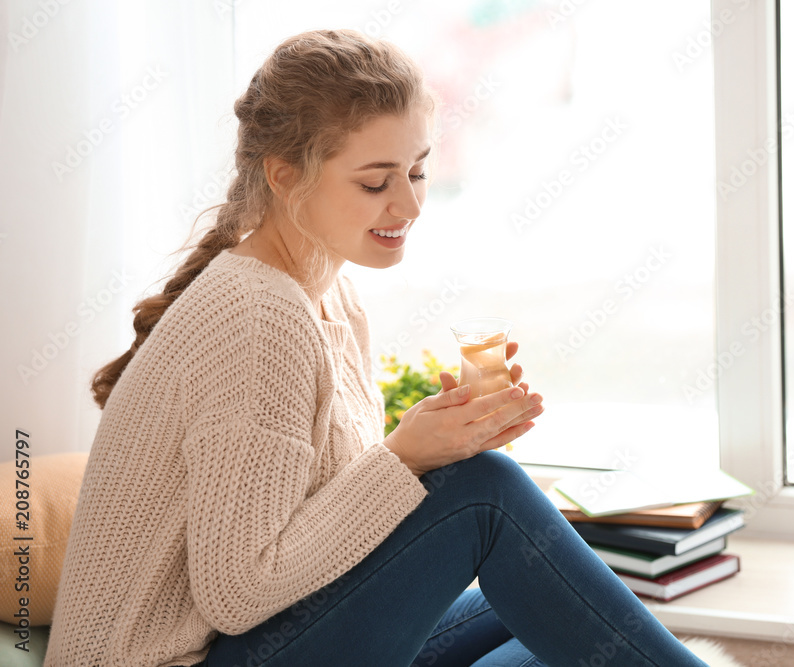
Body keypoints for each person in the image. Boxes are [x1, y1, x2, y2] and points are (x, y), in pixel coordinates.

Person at [45, 29, 708, 667]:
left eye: (417, 172)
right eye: (375, 181)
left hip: (274, 636)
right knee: (489, 495)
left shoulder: (329, 292)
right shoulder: (257, 313)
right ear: (284, 175)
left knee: (551, 599)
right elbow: (240, 589)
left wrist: (437, 446)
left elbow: (323, 530)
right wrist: (404, 455)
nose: (410, 205)